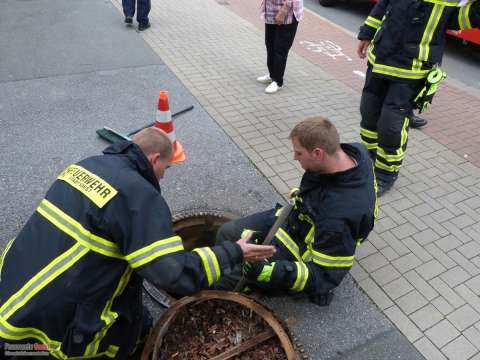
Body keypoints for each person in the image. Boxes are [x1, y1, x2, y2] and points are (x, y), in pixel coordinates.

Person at [0, 128, 275, 359]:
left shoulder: (86, 165)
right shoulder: (139, 197)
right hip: (46, 330)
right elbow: (175, 274)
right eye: (166, 168)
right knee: (120, 344)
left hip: (13, 291)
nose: (164, 177)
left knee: (139, 320)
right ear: (155, 159)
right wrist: (234, 252)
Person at [215, 117, 377, 306]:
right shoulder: (356, 152)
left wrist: (270, 271)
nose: (294, 157)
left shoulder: (338, 219)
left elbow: (324, 274)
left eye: (299, 153)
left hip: (304, 246)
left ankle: (238, 290)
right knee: (227, 232)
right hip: (297, 218)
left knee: (241, 272)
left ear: (317, 153)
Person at [357, 0, 480, 196]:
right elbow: (384, 4)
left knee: (391, 125)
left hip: (412, 69)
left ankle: (385, 173)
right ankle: (369, 159)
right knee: (368, 112)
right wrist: (366, 33)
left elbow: (459, 19)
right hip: (380, 58)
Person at [256, 0, 304, 94]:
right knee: (270, 44)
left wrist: (284, 10)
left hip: (287, 12)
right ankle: (272, 75)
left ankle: (278, 81)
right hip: (271, 10)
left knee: (280, 48)